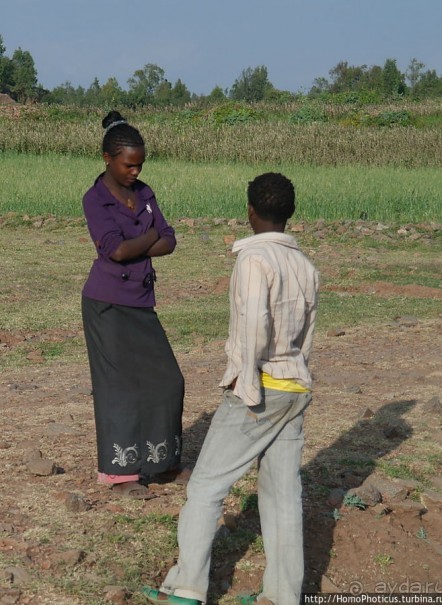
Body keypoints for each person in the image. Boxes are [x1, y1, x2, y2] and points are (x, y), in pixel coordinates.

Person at [143, 172, 320, 604]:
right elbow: (308, 336)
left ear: (250, 211)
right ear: (289, 214)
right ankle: (282, 595)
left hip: (259, 388)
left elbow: (251, 331)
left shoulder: (252, 261)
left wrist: (246, 385)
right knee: (283, 497)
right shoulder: (306, 266)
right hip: (296, 388)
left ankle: (187, 588)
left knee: (206, 487)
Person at [82, 110, 189, 500]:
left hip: (140, 301)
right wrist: (149, 236)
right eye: (129, 164)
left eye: (140, 164)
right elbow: (116, 250)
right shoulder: (95, 199)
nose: (135, 171)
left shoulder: (144, 193)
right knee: (118, 388)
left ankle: (162, 463)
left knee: (167, 379)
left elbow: (171, 239)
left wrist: (140, 242)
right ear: (107, 159)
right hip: (106, 305)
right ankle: (121, 474)